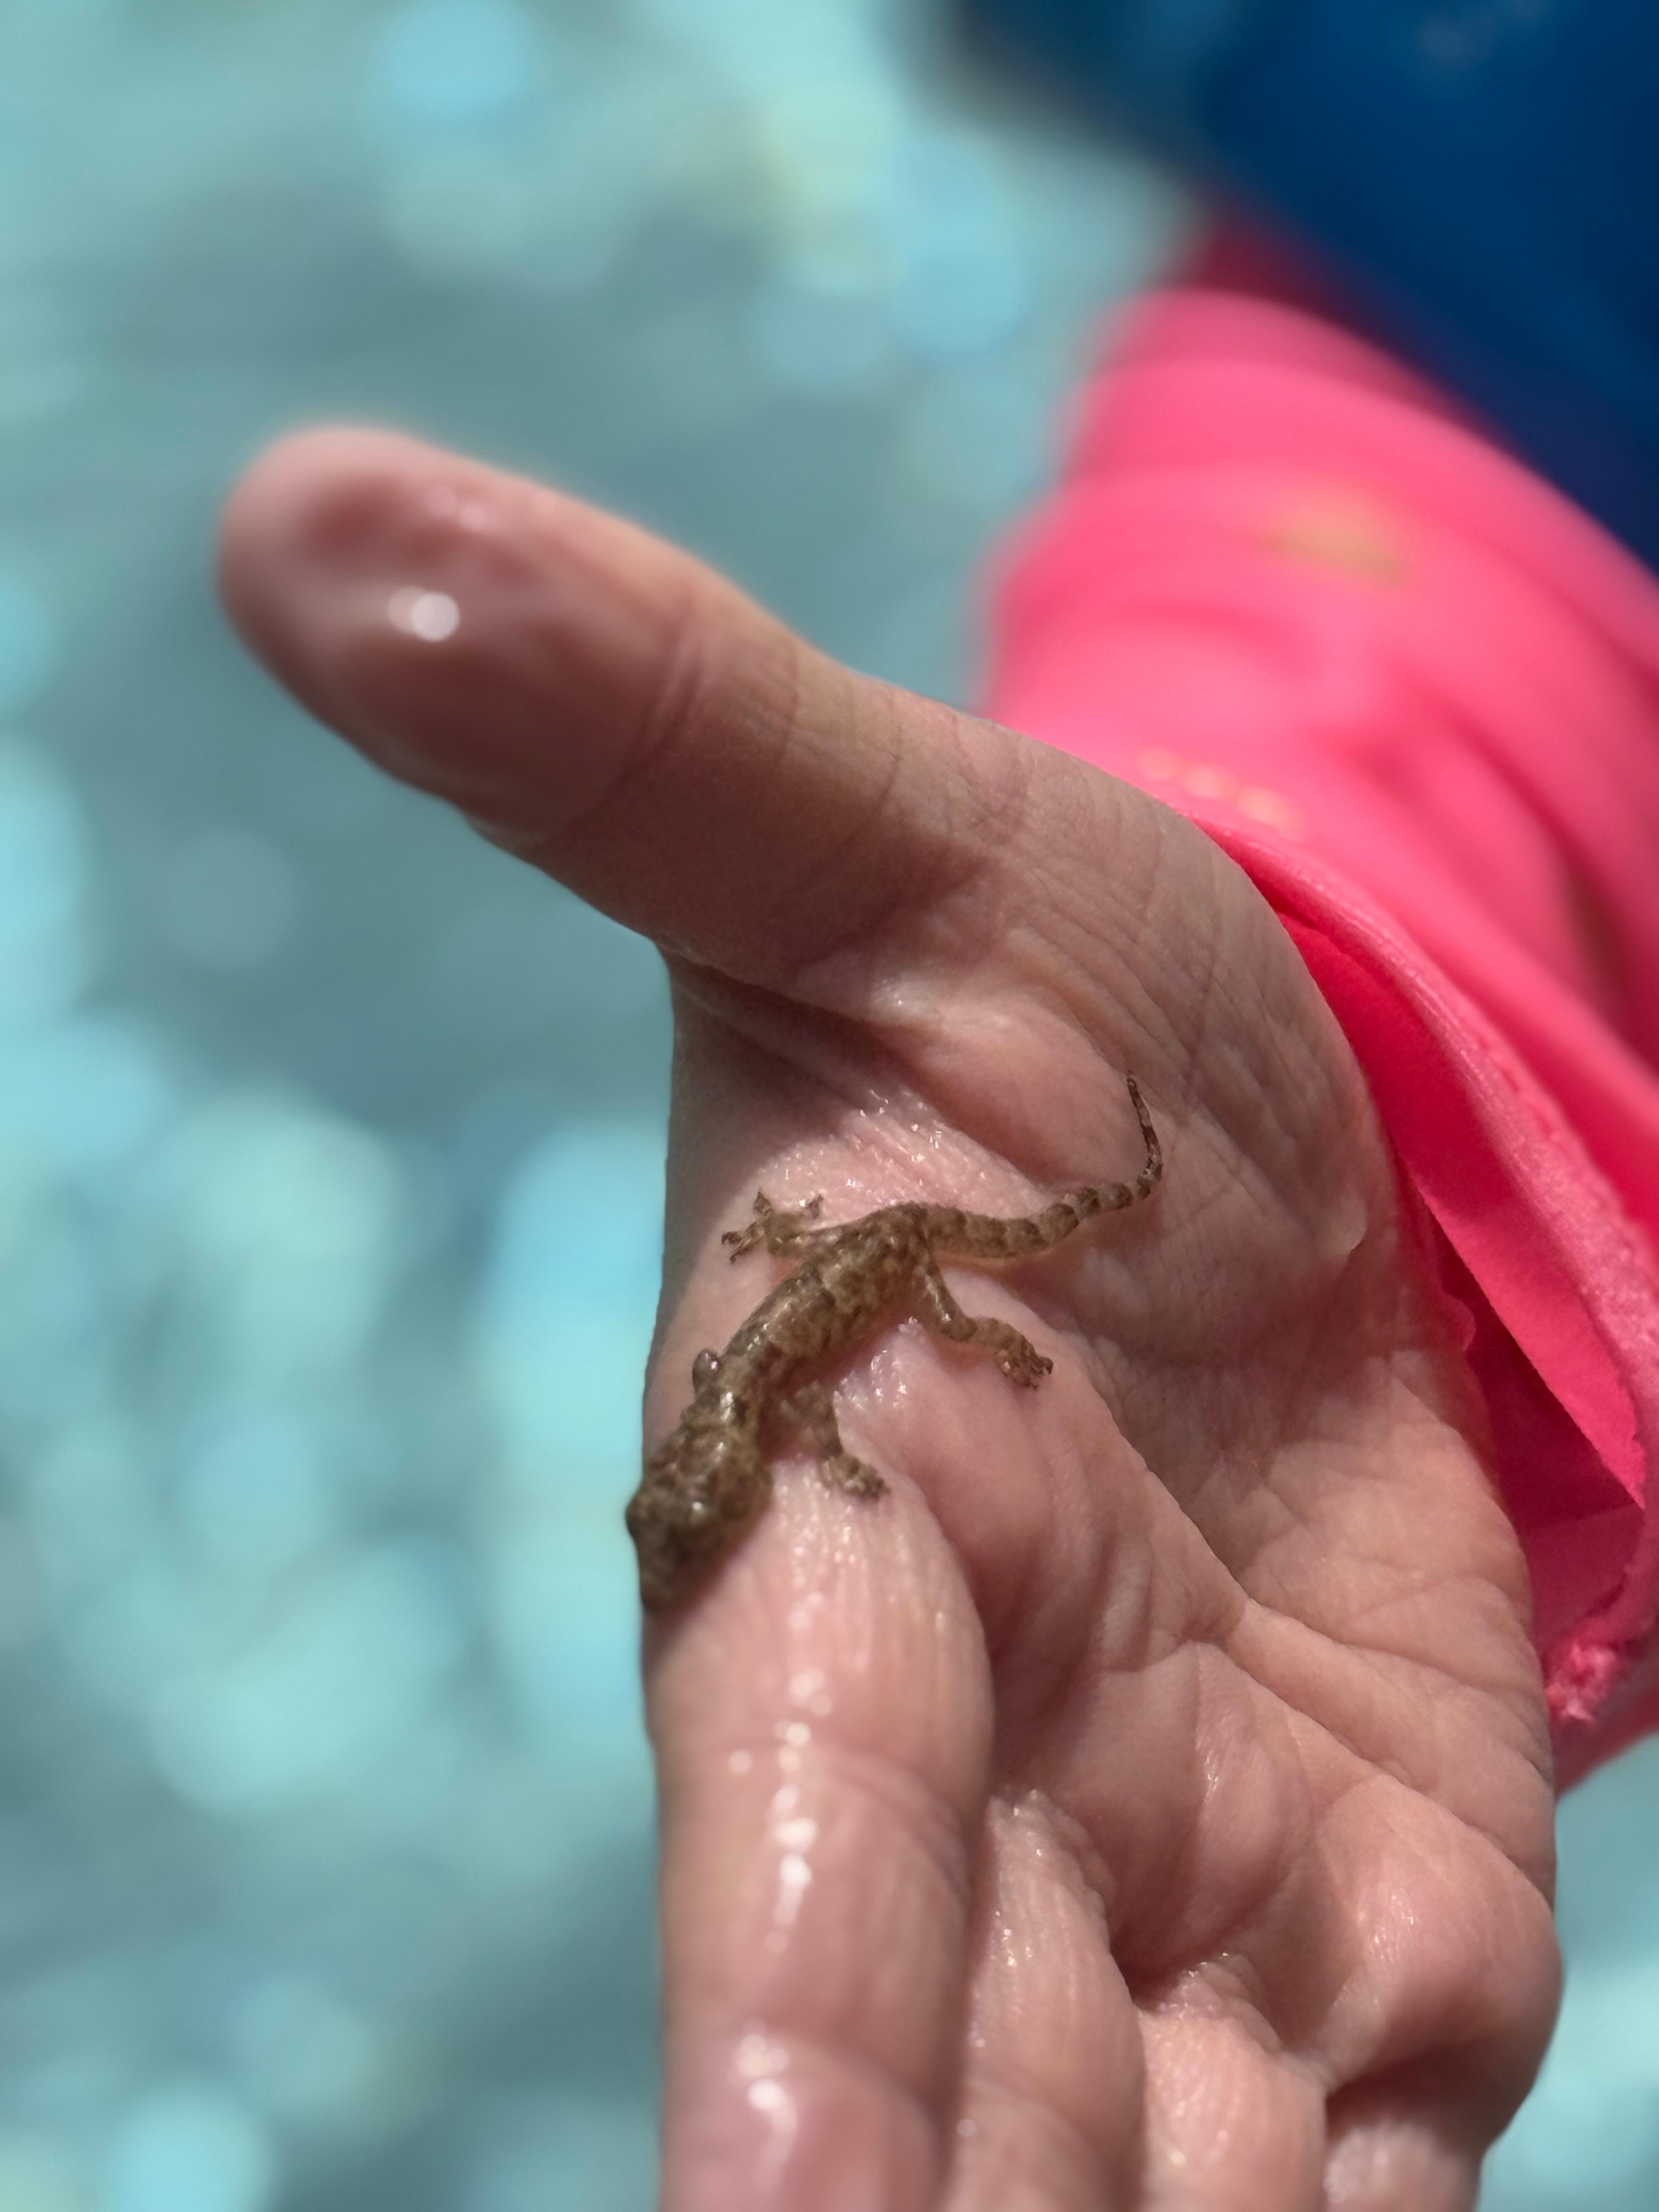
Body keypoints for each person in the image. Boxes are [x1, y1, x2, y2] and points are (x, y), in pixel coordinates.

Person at [214, 38, 1659, 2212]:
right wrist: (1342, 934)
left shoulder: (782, 1408)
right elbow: (1479, 396)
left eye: (679, 1510)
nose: (685, 1511)